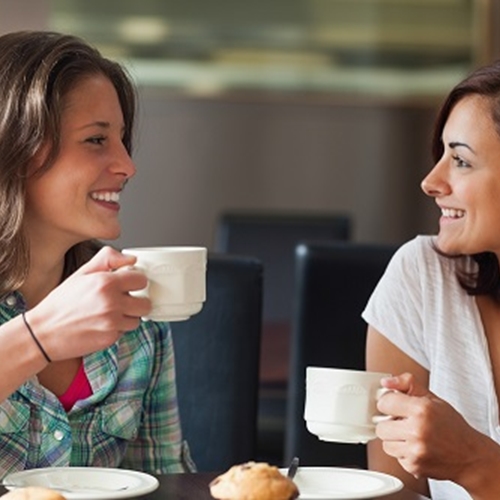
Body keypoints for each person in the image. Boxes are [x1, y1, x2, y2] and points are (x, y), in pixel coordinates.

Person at [0, 30, 195, 478]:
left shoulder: (136, 317)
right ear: (15, 147)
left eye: (123, 140)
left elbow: (167, 486)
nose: (127, 165)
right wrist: (39, 337)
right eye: (96, 140)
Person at [362, 60, 500, 500]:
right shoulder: (421, 277)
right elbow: (395, 493)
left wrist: (476, 464)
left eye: (460, 160)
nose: (430, 181)